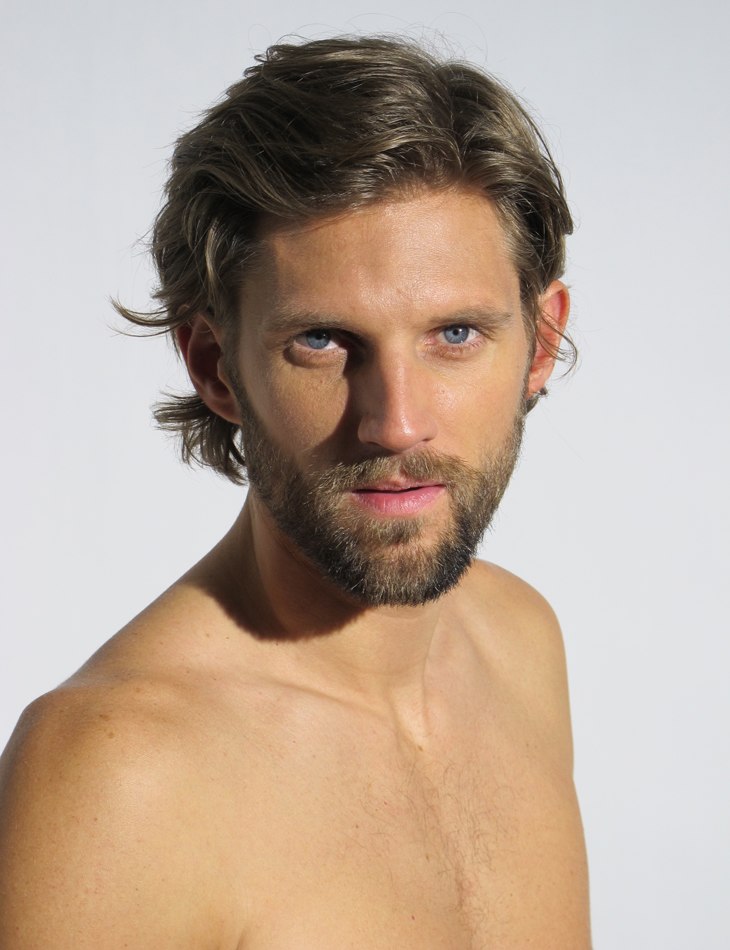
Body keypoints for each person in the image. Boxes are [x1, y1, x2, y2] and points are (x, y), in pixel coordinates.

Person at [0, 35, 591, 948]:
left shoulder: (521, 642)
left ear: (540, 344)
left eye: (455, 334)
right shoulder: (118, 771)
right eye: (322, 341)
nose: (396, 423)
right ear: (216, 365)